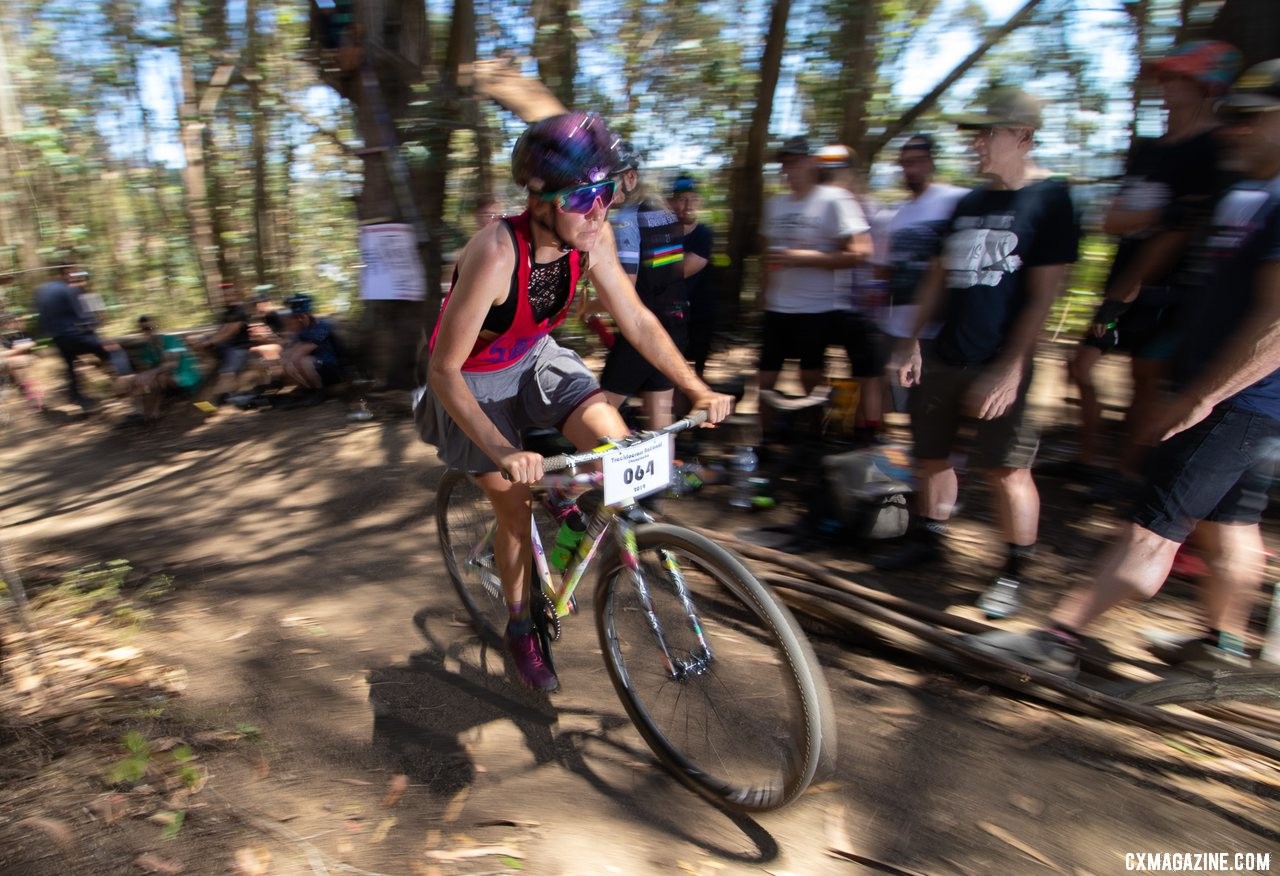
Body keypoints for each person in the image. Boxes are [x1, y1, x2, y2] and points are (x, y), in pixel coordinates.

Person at [969, 59, 1280, 677]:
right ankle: (1225, 648)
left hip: (1235, 403)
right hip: (1245, 405)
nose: (1236, 131)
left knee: (1154, 528)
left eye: (1252, 119)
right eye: (1234, 118)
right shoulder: (1257, 197)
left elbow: (1276, 324)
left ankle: (1061, 637)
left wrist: (1200, 398)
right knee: (1231, 520)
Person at [415, 111, 733, 691]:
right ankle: (519, 625)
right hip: (470, 381)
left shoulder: (593, 237)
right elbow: (443, 369)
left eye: (607, 192)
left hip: (534, 356)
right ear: (539, 202)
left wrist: (698, 388)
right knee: (512, 509)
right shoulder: (495, 253)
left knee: (617, 451)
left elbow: (636, 318)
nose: (598, 209)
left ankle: (570, 510)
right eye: (582, 196)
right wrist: (501, 451)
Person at [881, 89, 1080, 622]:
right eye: (974, 134)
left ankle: (1013, 573)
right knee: (929, 454)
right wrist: (910, 341)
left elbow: (1044, 295)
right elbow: (939, 276)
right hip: (947, 351)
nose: (976, 144)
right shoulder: (969, 203)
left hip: (1004, 358)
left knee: (1006, 469)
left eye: (987, 133)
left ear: (1022, 136)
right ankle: (930, 537)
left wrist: (1011, 369)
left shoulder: (1052, 198)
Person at [1058, 41, 1240, 488]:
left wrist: (1133, 284)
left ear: (1205, 85)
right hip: (1121, 279)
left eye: (1178, 76)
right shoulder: (1147, 149)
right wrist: (1158, 218)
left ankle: (1126, 472)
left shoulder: (1212, 149)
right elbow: (1112, 219)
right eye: (1165, 75)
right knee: (1079, 366)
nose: (1167, 85)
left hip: (1170, 290)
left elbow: (1181, 233)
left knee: (1145, 377)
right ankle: (1087, 459)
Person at [758, 136, 871, 420]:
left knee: (809, 378)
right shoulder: (775, 204)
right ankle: (765, 442)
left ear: (811, 163)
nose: (787, 169)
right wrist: (763, 292)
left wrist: (805, 258)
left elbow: (860, 251)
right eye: (783, 163)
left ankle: (811, 439)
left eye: (794, 162)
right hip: (777, 307)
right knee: (763, 380)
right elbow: (766, 255)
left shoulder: (834, 199)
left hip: (817, 308)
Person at [598, 142, 689, 432]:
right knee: (660, 419)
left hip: (643, 330)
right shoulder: (665, 213)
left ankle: (589, 476)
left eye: (608, 182)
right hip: (673, 323)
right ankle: (663, 476)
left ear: (631, 177)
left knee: (599, 412)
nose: (603, 193)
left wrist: (590, 305)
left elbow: (626, 286)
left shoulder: (626, 219)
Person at [876, 134, 969, 413]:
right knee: (897, 403)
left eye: (916, 162)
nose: (909, 169)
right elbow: (888, 272)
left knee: (938, 409)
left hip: (940, 330)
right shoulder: (897, 214)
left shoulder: (956, 200)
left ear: (930, 162)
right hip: (899, 328)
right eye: (904, 164)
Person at [815, 143, 892, 443]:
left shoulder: (876, 213)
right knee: (817, 370)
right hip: (824, 307)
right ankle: (820, 435)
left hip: (864, 312)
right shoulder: (820, 209)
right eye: (826, 172)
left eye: (838, 171)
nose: (832, 178)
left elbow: (881, 268)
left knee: (869, 379)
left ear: (852, 173)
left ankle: (867, 439)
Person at [34, 265, 131, 411]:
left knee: (70, 367)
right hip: (77, 335)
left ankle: (77, 398)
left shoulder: (42, 290)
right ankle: (129, 387)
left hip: (59, 338)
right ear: (66, 273)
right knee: (115, 351)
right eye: (76, 274)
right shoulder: (71, 289)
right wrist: (95, 331)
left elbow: (42, 320)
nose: (80, 278)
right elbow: (85, 318)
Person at [671, 173, 716, 377]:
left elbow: (681, 270)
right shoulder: (664, 234)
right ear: (672, 202)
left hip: (699, 313)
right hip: (668, 315)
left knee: (694, 373)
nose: (688, 205)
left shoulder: (703, 234)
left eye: (693, 199)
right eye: (682, 199)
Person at [279, 294, 345, 403]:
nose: (297, 319)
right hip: (317, 367)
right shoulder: (301, 329)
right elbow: (287, 351)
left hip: (331, 367)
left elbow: (303, 351)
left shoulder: (322, 325)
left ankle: (320, 392)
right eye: (296, 316)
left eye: (300, 316)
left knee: (304, 361)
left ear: (306, 313)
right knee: (288, 363)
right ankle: (309, 390)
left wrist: (290, 355)